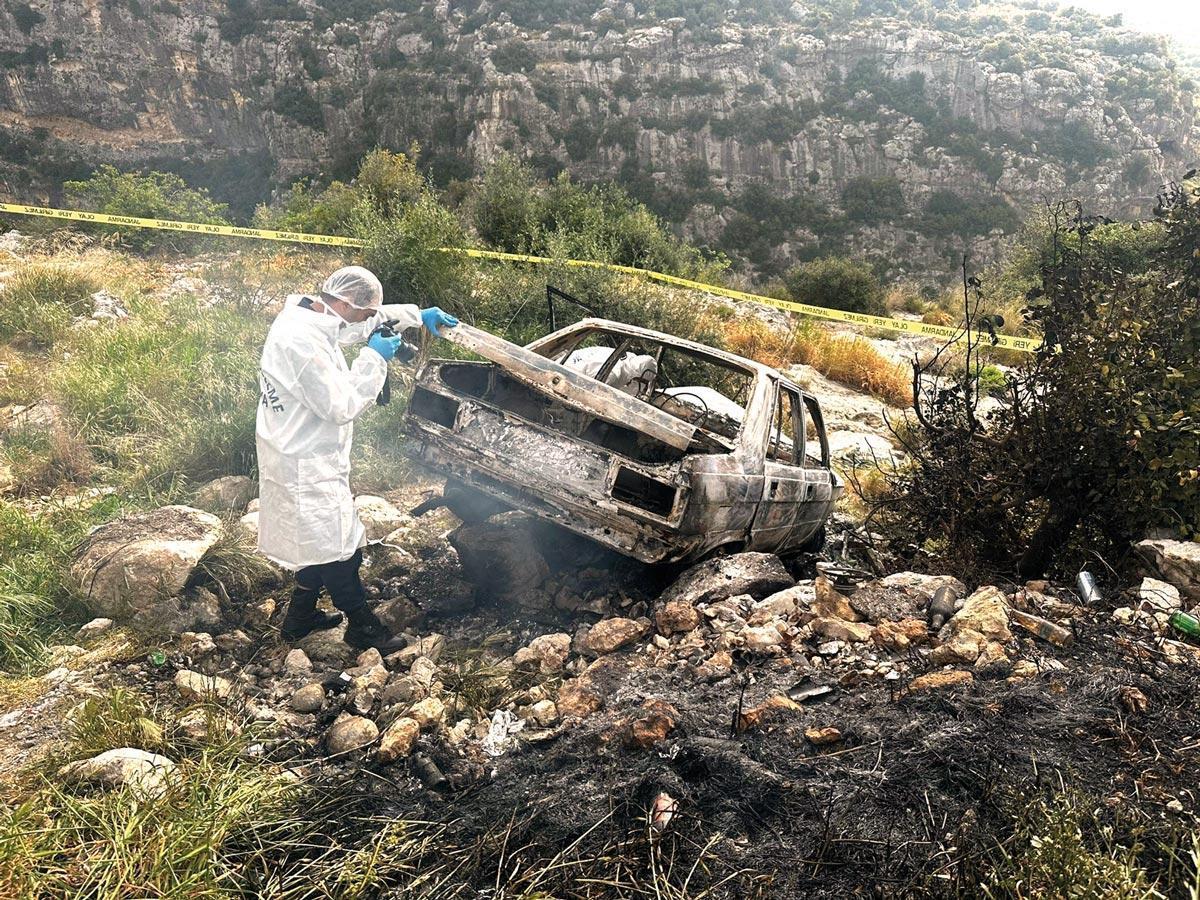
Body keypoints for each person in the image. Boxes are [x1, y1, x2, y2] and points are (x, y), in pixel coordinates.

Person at [255, 265, 458, 651]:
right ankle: (363, 626)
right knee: (338, 547)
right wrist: (373, 360)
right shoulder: (300, 343)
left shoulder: (312, 314)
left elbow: (356, 324)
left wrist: (417, 316)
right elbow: (341, 404)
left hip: (301, 449)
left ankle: (299, 619)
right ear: (346, 303)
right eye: (365, 313)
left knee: (317, 539)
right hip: (304, 458)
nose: (367, 320)